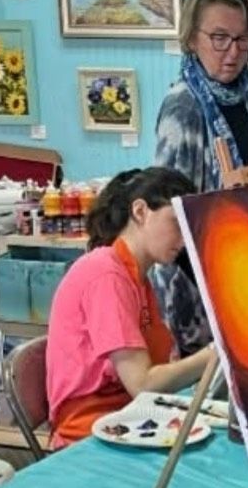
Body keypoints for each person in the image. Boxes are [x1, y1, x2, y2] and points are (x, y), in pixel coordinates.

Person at [154, 0, 248, 355]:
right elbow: (173, 218)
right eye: (219, 38)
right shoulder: (183, 106)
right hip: (204, 289)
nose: (232, 52)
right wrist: (225, 293)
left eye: (242, 38)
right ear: (192, 39)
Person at [46, 168, 215, 449]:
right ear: (140, 211)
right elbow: (142, 384)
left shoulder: (136, 277)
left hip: (129, 415)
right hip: (87, 433)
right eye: (176, 223)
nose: (185, 240)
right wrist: (216, 353)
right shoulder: (106, 275)